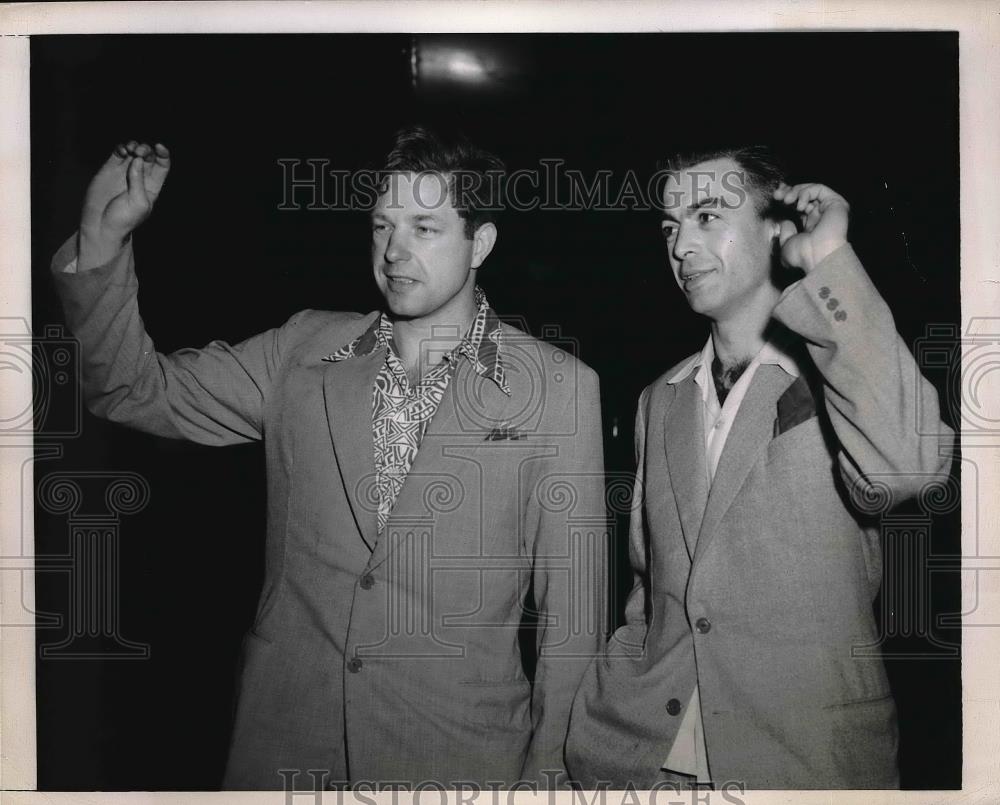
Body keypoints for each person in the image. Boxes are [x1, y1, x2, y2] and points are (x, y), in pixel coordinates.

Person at [51, 126, 606, 790]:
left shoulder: (558, 387)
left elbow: (574, 620)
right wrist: (102, 240)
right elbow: (133, 389)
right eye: (381, 226)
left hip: (457, 759)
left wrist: (552, 779)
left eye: (424, 227)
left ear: (480, 241)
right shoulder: (301, 351)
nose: (394, 251)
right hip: (285, 750)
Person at [565, 146, 954, 789]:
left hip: (801, 764)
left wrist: (827, 259)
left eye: (708, 217)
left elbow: (910, 467)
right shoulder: (658, 399)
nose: (681, 246)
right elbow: (652, 587)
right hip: (643, 763)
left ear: (776, 228)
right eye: (670, 227)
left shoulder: (844, 373)